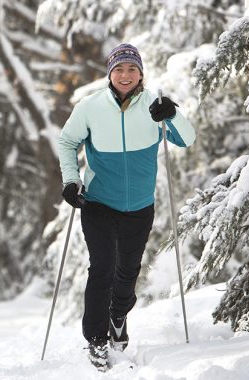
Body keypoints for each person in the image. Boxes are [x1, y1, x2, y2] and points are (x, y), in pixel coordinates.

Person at [56, 43, 195, 369]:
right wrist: (70, 180)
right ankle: (96, 341)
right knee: (101, 267)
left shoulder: (154, 106)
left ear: (141, 74)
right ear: (110, 73)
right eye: (119, 69)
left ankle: (118, 315)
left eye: (132, 69)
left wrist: (172, 114)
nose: (125, 75)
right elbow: (67, 141)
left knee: (127, 272)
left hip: (139, 206)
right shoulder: (90, 107)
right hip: (99, 203)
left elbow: (186, 139)